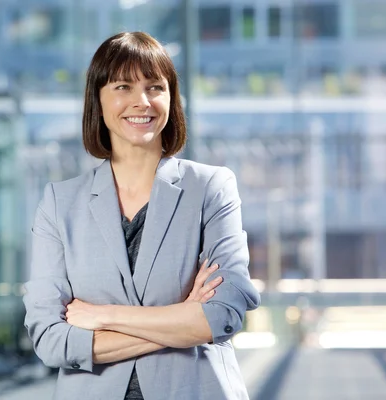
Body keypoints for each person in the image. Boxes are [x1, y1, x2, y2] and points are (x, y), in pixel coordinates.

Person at [23, 31, 261, 400]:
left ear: (171, 98)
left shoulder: (211, 188)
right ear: (97, 100)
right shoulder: (59, 202)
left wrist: (103, 316)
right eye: (123, 87)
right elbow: (50, 340)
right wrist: (182, 319)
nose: (142, 102)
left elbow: (222, 316)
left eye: (155, 87)